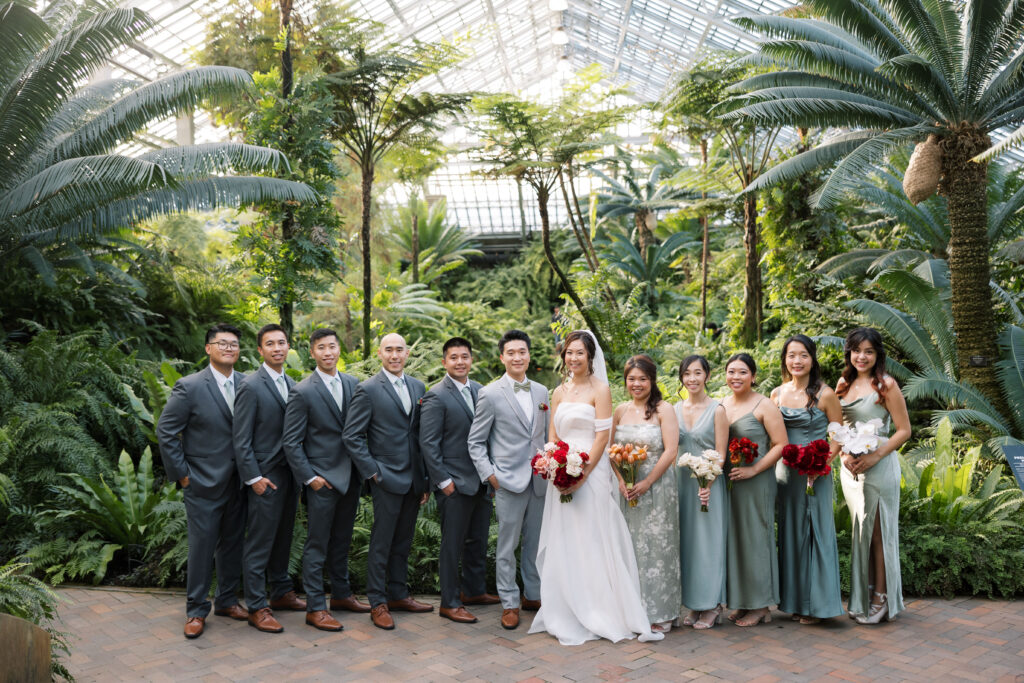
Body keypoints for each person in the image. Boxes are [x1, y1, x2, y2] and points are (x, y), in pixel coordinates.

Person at [528, 330, 663, 645]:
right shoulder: (558, 391)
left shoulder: (600, 390)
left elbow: (603, 437)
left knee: (592, 536)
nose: (573, 358)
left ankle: (599, 608)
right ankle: (565, 608)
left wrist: (582, 474)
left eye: (580, 353)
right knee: (565, 538)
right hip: (561, 472)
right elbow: (552, 435)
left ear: (590, 357)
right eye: (569, 353)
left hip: (591, 470)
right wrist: (554, 465)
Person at [157, 322, 247, 639]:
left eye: (234, 343)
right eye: (222, 343)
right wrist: (182, 476)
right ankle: (196, 610)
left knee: (233, 544)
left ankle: (226, 600)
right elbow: (166, 432)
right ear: (208, 348)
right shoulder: (190, 386)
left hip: (241, 481)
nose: (229, 348)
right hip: (202, 482)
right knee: (202, 547)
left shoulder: (247, 383)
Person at [282, 328, 370, 633]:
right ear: (313, 353)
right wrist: (310, 478)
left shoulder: (354, 384)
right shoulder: (303, 391)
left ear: (338, 350)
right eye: (321, 348)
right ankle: (316, 607)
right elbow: (291, 442)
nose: (328, 352)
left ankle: (343, 595)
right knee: (317, 544)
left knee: (342, 541)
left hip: (351, 478)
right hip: (322, 481)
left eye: (332, 346)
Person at [344, 333, 431, 630]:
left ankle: (398, 594)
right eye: (389, 350)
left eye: (400, 350)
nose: (395, 355)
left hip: (413, 480)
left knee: (403, 542)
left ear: (407, 353)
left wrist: (424, 480)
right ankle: (378, 602)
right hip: (385, 477)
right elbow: (352, 436)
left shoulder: (418, 387)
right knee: (381, 543)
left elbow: (419, 436)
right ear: (380, 353)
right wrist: (373, 472)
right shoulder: (367, 389)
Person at [467, 330, 548, 631]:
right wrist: (490, 475)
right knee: (506, 545)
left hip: (539, 480)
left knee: (534, 543)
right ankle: (509, 602)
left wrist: (551, 468)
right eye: (511, 352)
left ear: (529, 355)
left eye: (522, 351)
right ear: (502, 357)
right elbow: (475, 442)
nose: (517, 357)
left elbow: (545, 436)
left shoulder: (541, 392)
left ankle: (532, 594)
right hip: (507, 481)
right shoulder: (489, 393)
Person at [419, 337, 498, 624]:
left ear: (471, 359)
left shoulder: (481, 391)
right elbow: (428, 444)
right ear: (444, 362)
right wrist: (443, 482)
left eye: (464, 356)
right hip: (454, 484)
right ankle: (449, 602)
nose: (460, 362)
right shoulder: (436, 395)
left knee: (477, 540)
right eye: (454, 357)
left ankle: (474, 591)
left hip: (480, 482)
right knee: (452, 544)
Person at [836, 327, 911, 624]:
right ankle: (863, 596)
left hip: (879, 466)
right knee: (860, 532)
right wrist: (843, 455)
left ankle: (882, 597)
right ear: (849, 353)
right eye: (856, 350)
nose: (862, 356)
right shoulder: (843, 384)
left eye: (868, 351)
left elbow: (904, 430)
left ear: (878, 354)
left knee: (879, 534)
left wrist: (876, 456)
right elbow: (838, 428)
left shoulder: (886, 385)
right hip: (852, 469)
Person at [233, 324, 305, 633]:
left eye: (282, 342)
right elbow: (241, 438)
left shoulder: (293, 384)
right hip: (266, 477)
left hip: (290, 476)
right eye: (270, 344)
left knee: (283, 538)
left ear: (289, 347)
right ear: (260, 350)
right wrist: (254, 477)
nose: (277, 348)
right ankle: (258, 606)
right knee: (260, 543)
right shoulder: (251, 385)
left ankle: (281, 591)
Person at [771, 335, 844, 624]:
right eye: (791, 355)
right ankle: (794, 601)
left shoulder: (825, 394)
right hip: (786, 475)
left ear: (812, 359)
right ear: (784, 359)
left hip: (817, 474)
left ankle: (817, 605)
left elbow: (838, 438)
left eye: (803, 355)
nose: (796, 361)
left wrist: (822, 463)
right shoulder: (776, 394)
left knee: (815, 533)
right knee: (790, 534)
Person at [611, 355, 681, 633]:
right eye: (632, 379)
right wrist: (620, 481)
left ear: (652, 380)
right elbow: (611, 452)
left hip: (658, 487)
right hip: (627, 492)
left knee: (658, 548)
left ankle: (662, 610)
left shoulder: (664, 410)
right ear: (625, 380)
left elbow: (671, 450)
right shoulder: (620, 410)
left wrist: (648, 481)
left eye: (642, 379)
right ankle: (632, 609)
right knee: (629, 547)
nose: (636, 384)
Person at [723, 353, 788, 627]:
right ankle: (741, 601)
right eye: (731, 372)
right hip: (731, 480)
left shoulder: (764, 405)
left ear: (753, 375)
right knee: (736, 539)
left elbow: (781, 444)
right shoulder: (722, 404)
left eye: (742, 372)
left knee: (756, 539)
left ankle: (761, 605)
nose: (736, 377)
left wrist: (754, 469)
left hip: (757, 480)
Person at [675, 355, 729, 630]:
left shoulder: (717, 410)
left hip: (708, 485)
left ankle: (713, 604)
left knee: (708, 543)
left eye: (698, 373)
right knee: (687, 544)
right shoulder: (673, 409)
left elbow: (721, 453)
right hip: (681, 484)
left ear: (707, 375)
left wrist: (708, 480)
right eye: (687, 373)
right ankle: (695, 604)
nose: (692, 379)